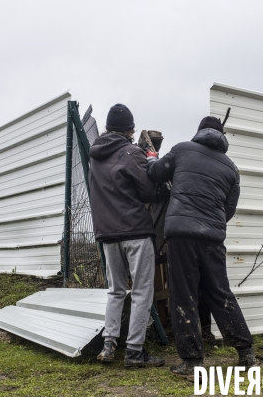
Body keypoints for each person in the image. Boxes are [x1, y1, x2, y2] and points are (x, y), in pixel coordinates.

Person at [147, 116, 255, 378]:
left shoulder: (182, 149)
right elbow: (228, 209)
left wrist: (150, 157)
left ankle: (193, 362)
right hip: (212, 237)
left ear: (199, 132)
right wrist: (210, 224)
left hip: (181, 235)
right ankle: (246, 352)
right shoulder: (232, 169)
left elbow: (155, 173)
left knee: (184, 295)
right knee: (220, 293)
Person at [89, 103, 165, 368]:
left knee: (115, 290)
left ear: (108, 128)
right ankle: (134, 351)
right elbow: (147, 192)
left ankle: (109, 344)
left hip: (107, 233)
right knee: (142, 291)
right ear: (129, 129)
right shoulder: (132, 152)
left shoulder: (95, 156)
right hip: (135, 230)